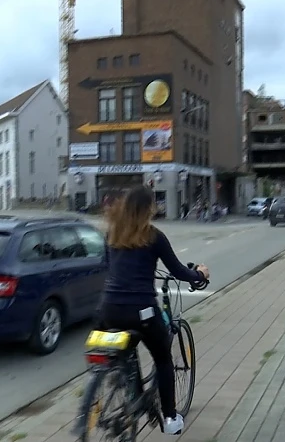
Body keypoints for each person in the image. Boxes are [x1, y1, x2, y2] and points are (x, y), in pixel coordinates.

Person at [98, 185, 210, 435]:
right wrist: (199, 274)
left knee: (124, 353)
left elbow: (109, 266)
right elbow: (178, 270)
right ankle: (170, 419)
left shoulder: (112, 233)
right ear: (149, 209)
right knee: (162, 358)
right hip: (142, 311)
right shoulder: (153, 236)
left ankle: (127, 395)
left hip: (109, 310)